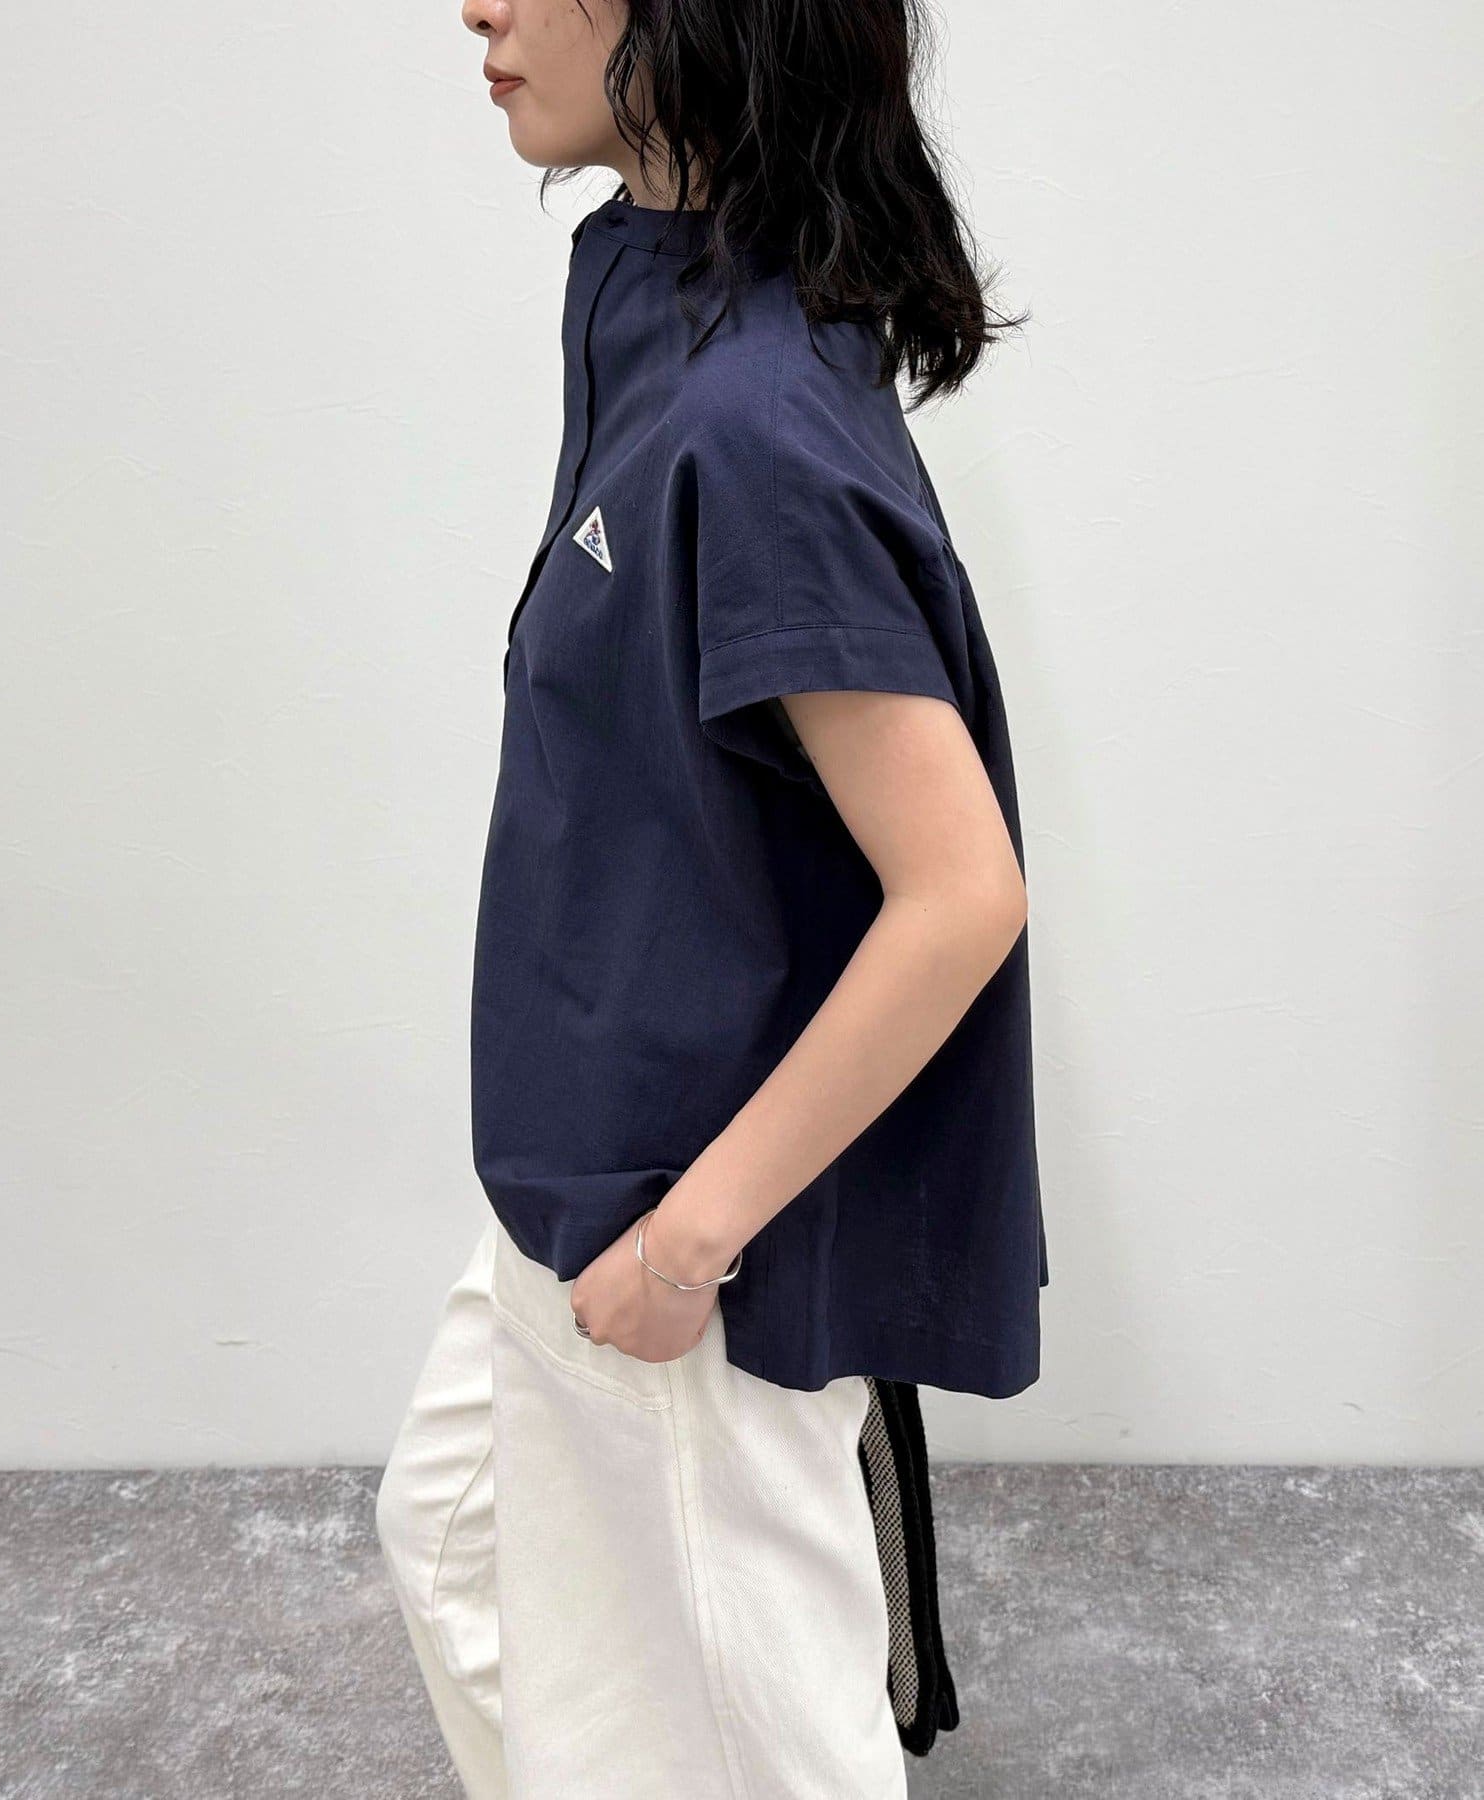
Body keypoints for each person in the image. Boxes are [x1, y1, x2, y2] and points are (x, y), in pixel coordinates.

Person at [376, 1, 1049, 1795]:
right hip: (587, 1163)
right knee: (454, 1548)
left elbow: (961, 890)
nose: (479, 7)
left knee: (746, 1751)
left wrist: (691, 1245)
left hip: (683, 1232)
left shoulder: (753, 428)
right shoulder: (650, 285)